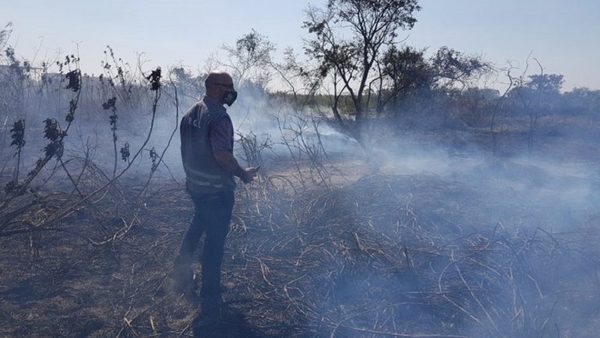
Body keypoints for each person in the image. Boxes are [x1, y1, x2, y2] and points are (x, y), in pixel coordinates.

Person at [174, 72, 258, 318]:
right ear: (215, 87)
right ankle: (210, 295)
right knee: (214, 242)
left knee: (197, 225)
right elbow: (222, 156)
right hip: (216, 191)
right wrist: (242, 174)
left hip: (197, 188)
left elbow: (187, 151)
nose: (232, 91)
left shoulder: (191, 113)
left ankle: (180, 273)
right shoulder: (219, 117)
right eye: (228, 87)